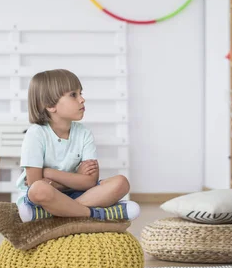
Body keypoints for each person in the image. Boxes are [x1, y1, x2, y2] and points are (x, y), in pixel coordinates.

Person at [16, 69, 140, 223]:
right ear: (49, 105)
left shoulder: (84, 133)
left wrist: (49, 173)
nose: (82, 99)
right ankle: (94, 213)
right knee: (40, 190)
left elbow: (89, 182)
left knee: (121, 182)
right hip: (42, 199)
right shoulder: (36, 134)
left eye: (80, 93)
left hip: (79, 194)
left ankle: (56, 213)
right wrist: (75, 178)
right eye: (73, 95)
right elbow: (35, 183)